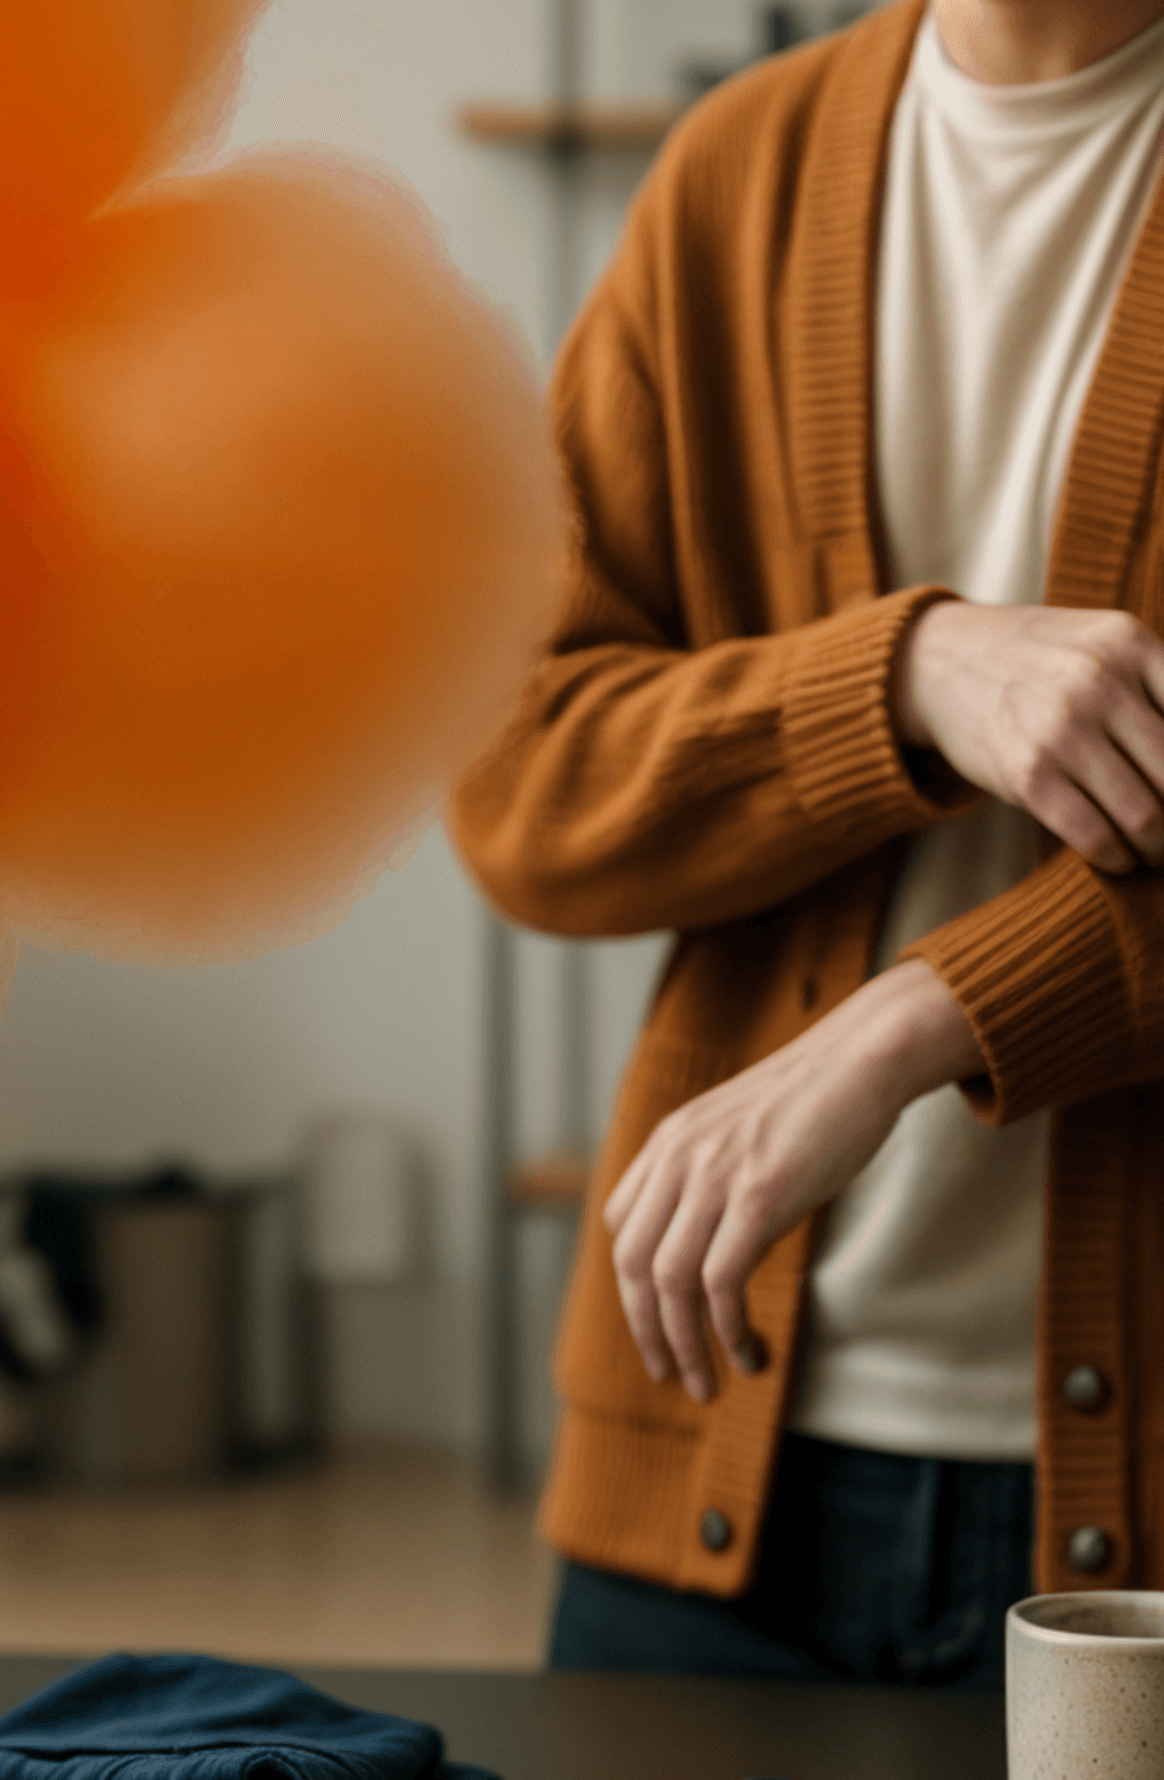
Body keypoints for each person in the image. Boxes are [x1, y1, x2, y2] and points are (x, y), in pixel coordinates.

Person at [452, 0, 1164, 1688]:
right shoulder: (735, 176)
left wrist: (912, 1023)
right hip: (709, 1450)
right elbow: (515, 773)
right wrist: (906, 677)